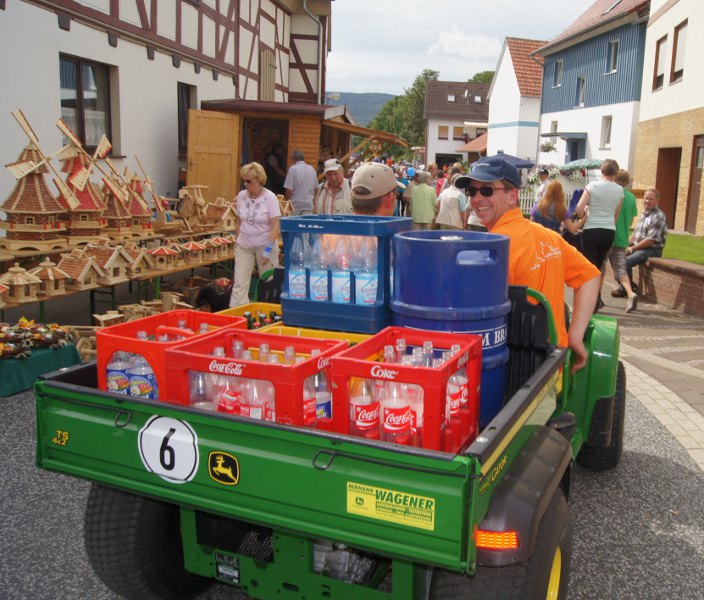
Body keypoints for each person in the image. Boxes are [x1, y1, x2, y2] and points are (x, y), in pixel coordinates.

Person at [455, 154, 600, 372]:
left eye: (486, 190)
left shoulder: (490, 249)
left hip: (514, 372)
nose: (476, 199)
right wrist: (576, 336)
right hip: (553, 364)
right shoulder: (548, 237)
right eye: (472, 191)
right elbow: (590, 276)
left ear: (513, 196)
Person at [574, 159, 623, 311]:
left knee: (588, 266)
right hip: (608, 231)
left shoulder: (593, 186)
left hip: (592, 229)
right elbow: (616, 216)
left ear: (602, 171)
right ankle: (595, 300)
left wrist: (585, 214)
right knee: (598, 268)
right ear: (616, 173)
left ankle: (586, 303)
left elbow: (578, 209)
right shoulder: (620, 190)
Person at [229, 162, 281, 307]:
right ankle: (237, 314)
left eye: (248, 181)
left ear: (259, 181)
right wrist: (238, 238)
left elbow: (275, 227)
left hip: (265, 245)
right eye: (243, 180)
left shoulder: (270, 198)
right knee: (240, 283)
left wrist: (268, 251)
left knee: (269, 282)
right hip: (244, 246)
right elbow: (239, 220)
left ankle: (269, 313)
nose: (245, 184)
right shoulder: (241, 196)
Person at [624, 188, 668, 295]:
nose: (647, 201)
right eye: (646, 198)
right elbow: (635, 235)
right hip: (640, 247)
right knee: (616, 258)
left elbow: (650, 240)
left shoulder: (658, 216)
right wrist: (623, 245)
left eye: (651, 199)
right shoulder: (644, 213)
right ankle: (628, 288)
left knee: (625, 263)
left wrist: (631, 249)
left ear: (657, 201)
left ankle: (628, 291)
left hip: (652, 250)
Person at [607, 170, 639, 313]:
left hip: (608, 235)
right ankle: (630, 293)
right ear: (627, 182)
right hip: (622, 238)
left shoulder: (613, 194)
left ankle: (595, 298)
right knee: (621, 268)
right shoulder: (631, 197)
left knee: (599, 268)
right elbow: (632, 219)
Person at [283, 149, 317, 215]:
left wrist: (287, 202)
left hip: (295, 205)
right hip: (308, 205)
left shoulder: (292, 169)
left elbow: (289, 190)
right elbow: (316, 188)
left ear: (293, 158)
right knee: (306, 224)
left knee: (293, 224)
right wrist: (314, 200)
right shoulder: (312, 169)